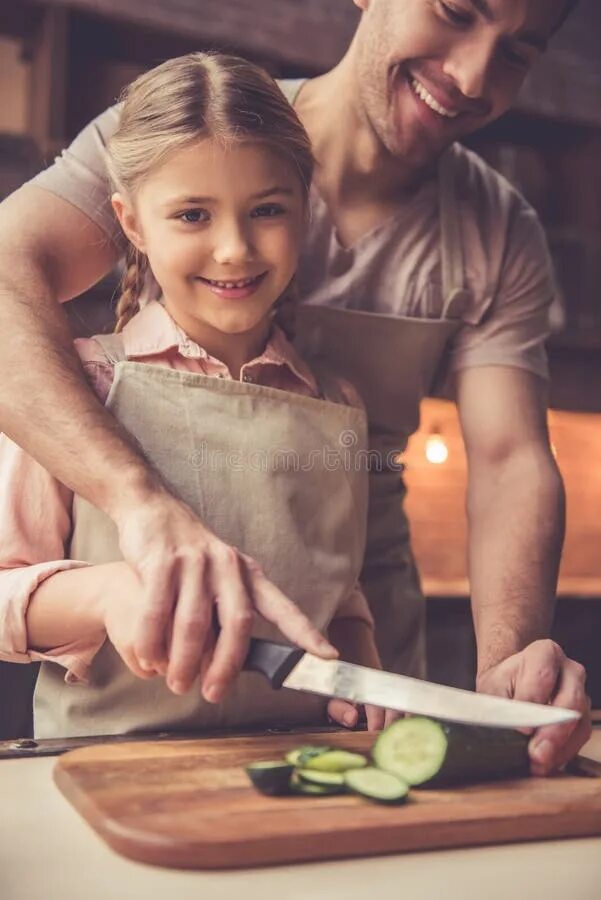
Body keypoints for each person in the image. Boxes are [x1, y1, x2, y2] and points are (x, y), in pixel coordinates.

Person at [0, 0, 590, 767]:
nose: (473, 74)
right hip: (114, 758)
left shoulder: (494, 234)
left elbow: (509, 460)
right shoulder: (189, 123)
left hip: (333, 713)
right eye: (453, 10)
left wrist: (501, 660)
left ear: (303, 211)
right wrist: (136, 521)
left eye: (518, 52)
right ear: (132, 224)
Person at [0, 52, 387, 738]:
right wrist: (106, 592)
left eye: (266, 209)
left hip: (303, 771)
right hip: (107, 782)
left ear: (306, 210)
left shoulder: (338, 403)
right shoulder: (75, 386)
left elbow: (337, 588)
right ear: (133, 225)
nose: (234, 249)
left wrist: (362, 668)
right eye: (192, 215)